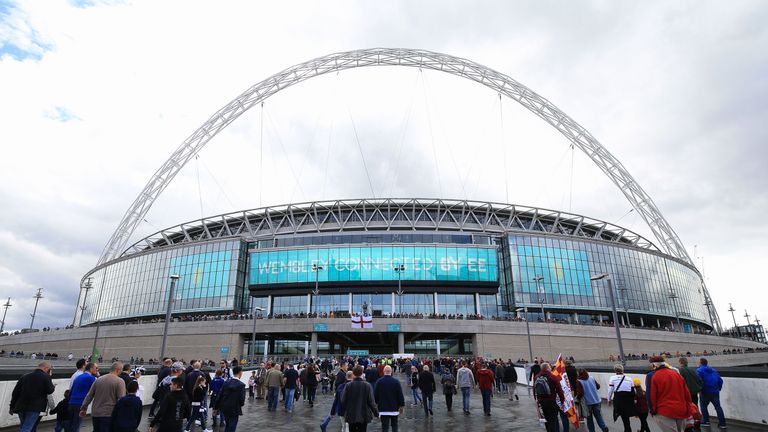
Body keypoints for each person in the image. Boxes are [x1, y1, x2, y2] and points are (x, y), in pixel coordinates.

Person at [645, 355, 692, 432]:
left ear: (654, 365)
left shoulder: (652, 376)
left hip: (664, 411)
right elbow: (686, 393)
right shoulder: (676, 374)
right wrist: (688, 407)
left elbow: (651, 395)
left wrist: (652, 410)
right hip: (681, 409)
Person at [9, 361, 56, 432]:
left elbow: (15, 393)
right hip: (34, 408)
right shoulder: (46, 377)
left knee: (24, 426)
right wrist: (52, 385)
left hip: (21, 406)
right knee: (27, 428)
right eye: (50, 369)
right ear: (46, 368)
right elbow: (50, 391)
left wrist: (12, 407)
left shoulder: (24, 376)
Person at [80, 362, 127, 432]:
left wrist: (83, 408)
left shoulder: (98, 379)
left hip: (96, 413)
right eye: (121, 370)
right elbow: (122, 400)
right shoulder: (120, 381)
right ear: (118, 370)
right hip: (109, 414)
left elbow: (89, 395)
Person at [342, 365, 379, 432]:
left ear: (353, 373)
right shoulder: (367, 385)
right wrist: (376, 413)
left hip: (351, 414)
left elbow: (343, 400)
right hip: (364, 415)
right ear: (362, 373)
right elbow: (371, 402)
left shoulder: (348, 385)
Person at [534, 362, 565, 432]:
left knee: (547, 420)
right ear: (547, 368)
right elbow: (559, 390)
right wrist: (562, 401)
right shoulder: (552, 376)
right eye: (550, 367)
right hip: (551, 402)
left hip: (542, 403)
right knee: (553, 421)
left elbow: (534, 389)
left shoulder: (537, 377)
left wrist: (537, 400)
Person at [67, 362, 98, 432]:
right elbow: (97, 390)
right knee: (76, 426)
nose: (97, 370)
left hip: (71, 403)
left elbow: (71, 390)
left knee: (70, 425)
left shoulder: (78, 376)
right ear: (91, 368)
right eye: (96, 368)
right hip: (80, 404)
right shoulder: (91, 378)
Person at [373, 365, 404, 432]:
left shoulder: (379, 381)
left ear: (384, 371)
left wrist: (375, 405)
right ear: (391, 371)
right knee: (395, 426)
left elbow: (375, 395)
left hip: (383, 409)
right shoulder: (396, 382)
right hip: (394, 409)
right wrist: (401, 406)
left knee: (384, 427)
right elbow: (400, 395)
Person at [696, 358, 725, 429]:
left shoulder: (699, 370)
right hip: (715, 391)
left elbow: (698, 381)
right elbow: (720, 380)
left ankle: (706, 421)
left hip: (705, 391)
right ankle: (722, 423)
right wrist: (718, 388)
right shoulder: (713, 370)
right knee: (718, 407)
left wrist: (699, 390)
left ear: (700, 363)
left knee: (703, 406)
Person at [607, 364, 636, 432]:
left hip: (619, 399)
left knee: (623, 416)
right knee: (626, 416)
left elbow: (610, 390)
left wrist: (609, 399)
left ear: (615, 370)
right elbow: (633, 391)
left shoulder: (612, 378)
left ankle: (627, 429)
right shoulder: (629, 379)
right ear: (623, 370)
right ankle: (627, 429)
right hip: (628, 399)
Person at [217, 366, 246, 432]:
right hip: (235, 408)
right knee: (232, 426)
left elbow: (220, 395)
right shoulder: (241, 385)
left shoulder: (226, 382)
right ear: (240, 372)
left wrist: (216, 407)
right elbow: (242, 400)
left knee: (227, 425)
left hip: (225, 407)